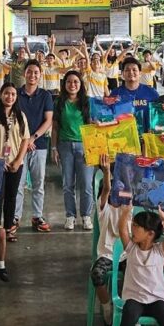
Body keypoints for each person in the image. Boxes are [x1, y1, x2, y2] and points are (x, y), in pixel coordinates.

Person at [15, 60, 54, 233]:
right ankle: (15, 217)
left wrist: (32, 138)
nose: (32, 75)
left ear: (40, 74)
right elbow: (13, 120)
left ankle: (37, 216)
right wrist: (24, 140)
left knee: (38, 183)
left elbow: (48, 120)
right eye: (29, 71)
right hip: (19, 146)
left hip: (39, 145)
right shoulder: (15, 94)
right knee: (18, 184)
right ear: (25, 73)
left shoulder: (45, 95)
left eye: (36, 72)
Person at [52, 70, 93, 231]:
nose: (72, 85)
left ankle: (86, 216)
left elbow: (91, 126)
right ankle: (70, 216)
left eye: (76, 81)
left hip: (84, 147)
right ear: (64, 84)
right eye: (69, 82)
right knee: (67, 184)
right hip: (65, 147)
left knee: (86, 184)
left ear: (80, 84)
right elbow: (55, 128)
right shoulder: (59, 103)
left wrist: (91, 148)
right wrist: (54, 148)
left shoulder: (87, 102)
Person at [0, 83, 30, 242]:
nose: (10, 97)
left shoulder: (21, 116)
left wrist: (18, 160)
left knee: (11, 196)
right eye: (6, 93)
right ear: (1, 95)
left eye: (13, 94)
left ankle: (8, 229)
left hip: (15, 164)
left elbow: (25, 139)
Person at [90, 155, 122, 326]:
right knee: (96, 274)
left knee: (137, 272)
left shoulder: (129, 208)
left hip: (128, 254)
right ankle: (106, 306)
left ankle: (131, 310)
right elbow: (106, 189)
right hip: (108, 255)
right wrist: (107, 172)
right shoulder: (104, 208)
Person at [110, 57, 160, 134]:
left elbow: (159, 117)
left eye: (134, 70)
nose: (131, 72)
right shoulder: (115, 93)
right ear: (122, 74)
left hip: (146, 139)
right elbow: (109, 116)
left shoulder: (151, 93)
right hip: (124, 138)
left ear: (140, 73)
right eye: (127, 70)